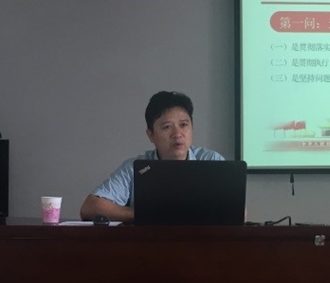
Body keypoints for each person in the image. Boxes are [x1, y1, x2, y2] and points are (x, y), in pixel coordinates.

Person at [80, 91, 224, 221]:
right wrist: (146, 214)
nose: (177, 134)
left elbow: (234, 209)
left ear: (192, 128)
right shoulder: (136, 168)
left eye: (184, 125)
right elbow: (90, 207)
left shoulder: (212, 161)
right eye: (167, 127)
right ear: (151, 135)